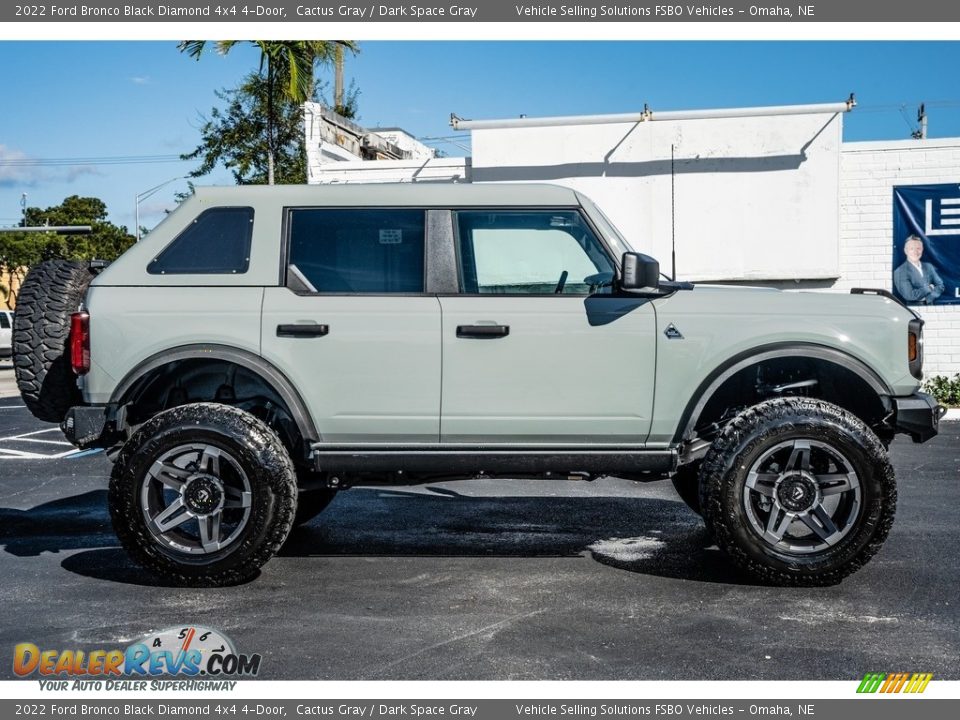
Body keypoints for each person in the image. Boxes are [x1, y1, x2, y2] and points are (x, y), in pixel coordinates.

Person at [893, 235, 945, 305]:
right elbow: (910, 295)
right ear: (905, 250)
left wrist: (929, 298)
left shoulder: (928, 266)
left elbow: (940, 285)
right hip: (913, 309)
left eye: (918, 248)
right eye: (911, 249)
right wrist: (929, 288)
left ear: (922, 249)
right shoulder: (900, 271)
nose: (915, 252)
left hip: (931, 306)